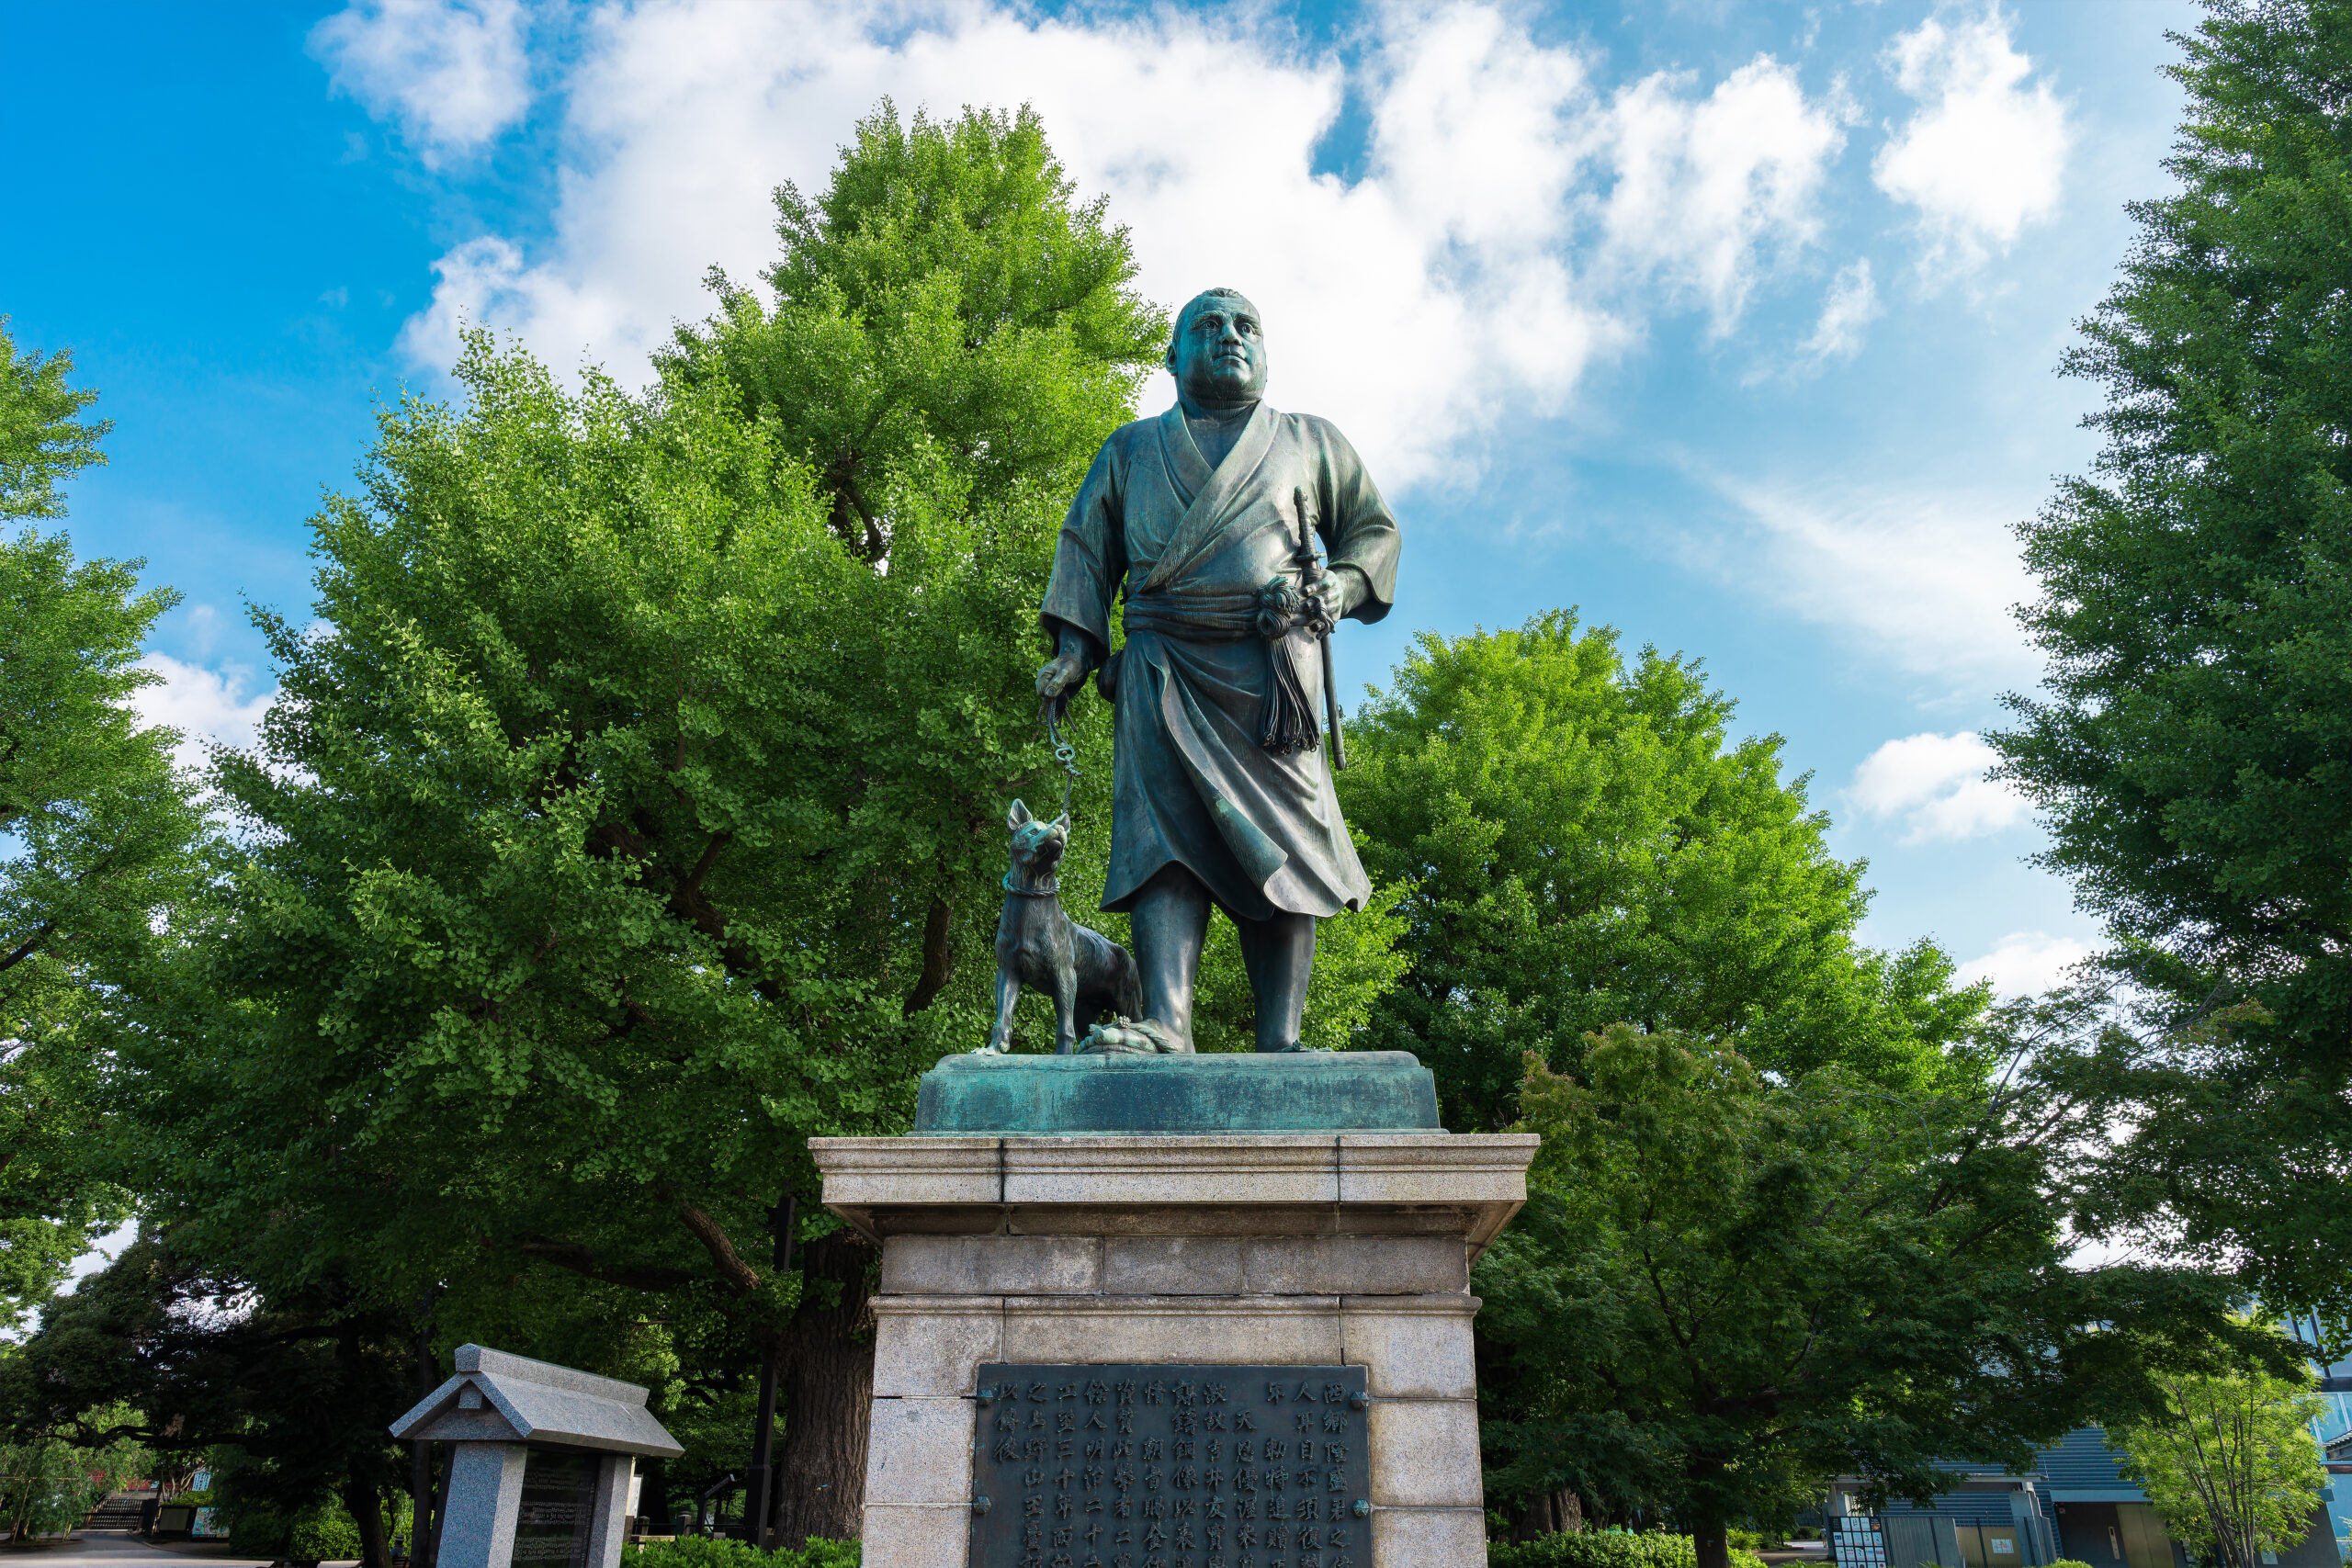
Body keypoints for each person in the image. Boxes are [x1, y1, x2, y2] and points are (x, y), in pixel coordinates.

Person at [1035, 288, 1400, 1052]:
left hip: (1275, 676)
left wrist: (1345, 583)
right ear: (1172, 357)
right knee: (1162, 838)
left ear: (1266, 351)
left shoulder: (1310, 441)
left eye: (1245, 326)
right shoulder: (1131, 449)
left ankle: (1283, 1037)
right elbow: (1086, 546)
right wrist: (1076, 648)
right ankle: (1167, 1020)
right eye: (1207, 327)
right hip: (1162, 665)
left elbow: (1373, 531)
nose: (1229, 337)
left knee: (1291, 843)